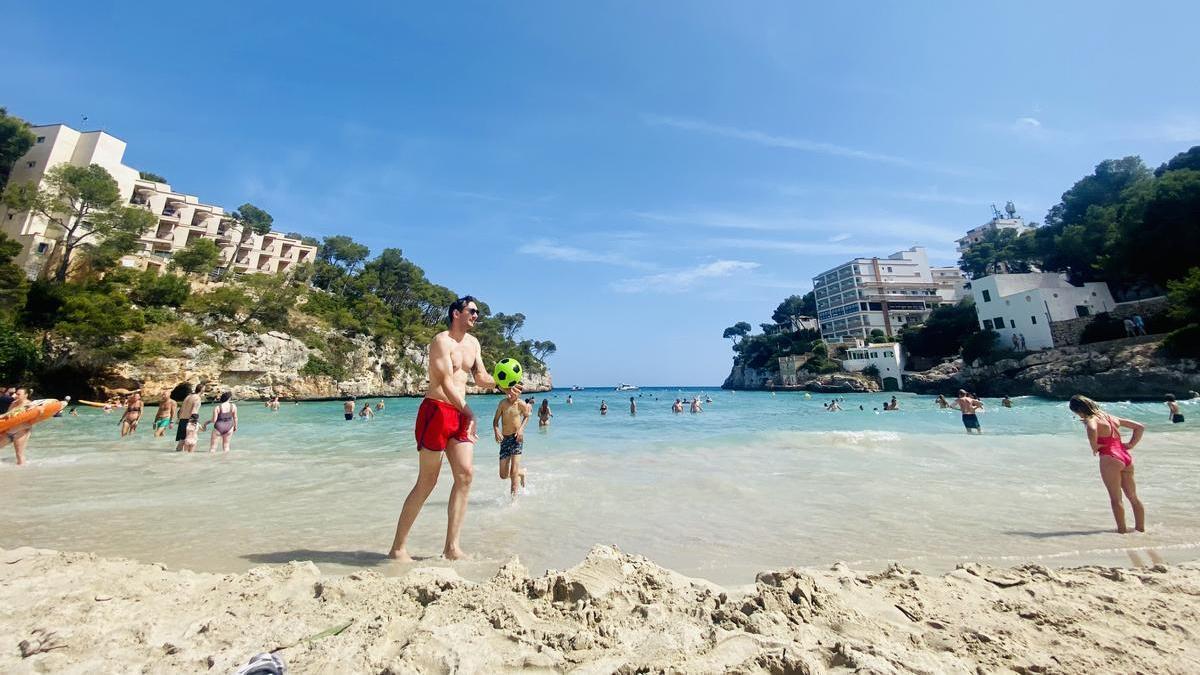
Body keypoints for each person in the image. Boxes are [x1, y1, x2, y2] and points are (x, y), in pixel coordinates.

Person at [389, 296, 513, 562]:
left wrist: (503, 384)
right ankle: (398, 548)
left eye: (478, 312)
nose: (476, 315)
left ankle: (451, 548)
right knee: (427, 482)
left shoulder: (474, 344)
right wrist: (468, 411)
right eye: (472, 311)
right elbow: (445, 382)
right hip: (436, 411)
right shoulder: (440, 341)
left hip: (459, 414)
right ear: (456, 313)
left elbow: (480, 378)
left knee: (465, 475)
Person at [1068, 395, 1146, 533]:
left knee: (1116, 499)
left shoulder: (1092, 419)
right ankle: (1140, 530)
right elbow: (1139, 427)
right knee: (1133, 497)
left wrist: (1094, 446)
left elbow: (1092, 429)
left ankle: (1122, 532)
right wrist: (1131, 444)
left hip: (1110, 457)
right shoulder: (1111, 417)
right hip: (1125, 456)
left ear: (1079, 410)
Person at [493, 386, 530, 496]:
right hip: (505, 439)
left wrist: (521, 430)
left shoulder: (521, 404)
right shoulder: (502, 403)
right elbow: (495, 421)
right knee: (503, 475)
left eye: (512, 393)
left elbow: (527, 416)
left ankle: (514, 502)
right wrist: (496, 430)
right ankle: (521, 472)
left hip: (516, 439)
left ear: (518, 393)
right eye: (507, 393)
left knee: (513, 471)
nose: (509, 395)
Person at [1, 387, 34, 465]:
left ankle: (22, 473)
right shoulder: (13, 403)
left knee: (19, 454)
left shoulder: (30, 405)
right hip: (9, 431)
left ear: (26, 395)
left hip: (21, 432)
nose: (16, 395)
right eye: (16, 393)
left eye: (19, 394)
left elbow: (33, 419)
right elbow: (7, 416)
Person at [176, 383, 204, 452]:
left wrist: (178, 419)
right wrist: (195, 423)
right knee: (191, 442)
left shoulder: (188, 397)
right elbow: (194, 412)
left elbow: (180, 410)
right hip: (189, 420)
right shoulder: (197, 398)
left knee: (182, 441)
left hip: (182, 419)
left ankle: (176, 456)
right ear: (202, 390)